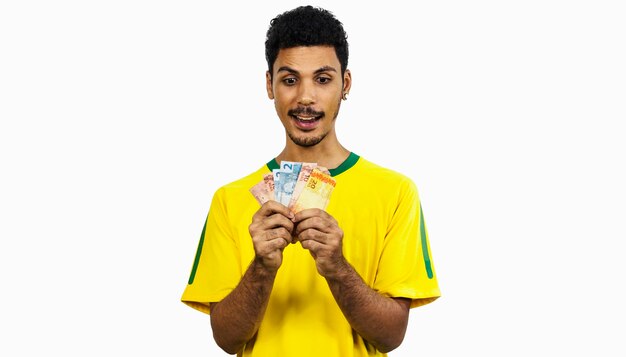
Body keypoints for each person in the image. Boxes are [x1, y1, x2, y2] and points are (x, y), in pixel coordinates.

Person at [181, 5, 440, 356]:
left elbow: (391, 336)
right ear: (269, 85)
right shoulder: (230, 198)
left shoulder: (396, 192)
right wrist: (261, 268)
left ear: (344, 84)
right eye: (289, 79)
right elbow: (226, 339)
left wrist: (337, 267)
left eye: (322, 79)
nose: (306, 97)